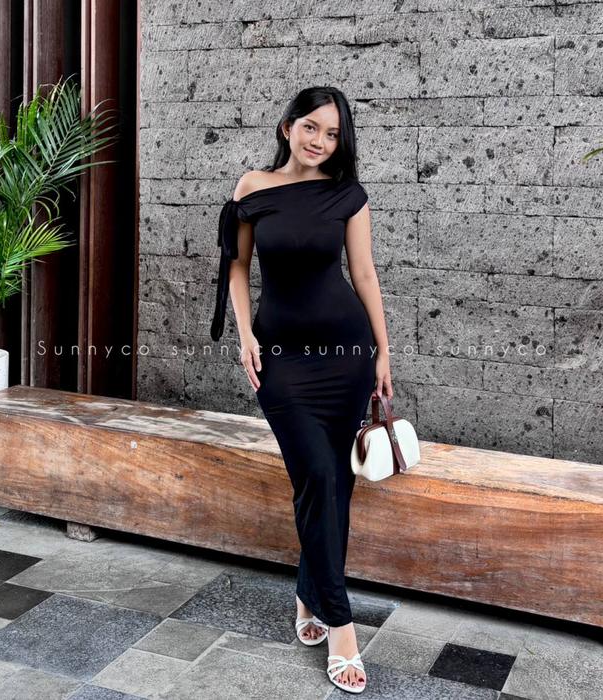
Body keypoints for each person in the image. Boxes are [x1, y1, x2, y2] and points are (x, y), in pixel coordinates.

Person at [210, 86, 393, 694]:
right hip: (282, 359)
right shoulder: (252, 188)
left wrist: (383, 350)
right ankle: (342, 625)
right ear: (288, 127)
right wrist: (245, 334)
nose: (320, 141)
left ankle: (311, 595)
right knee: (315, 471)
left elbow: (363, 273)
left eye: (333, 133)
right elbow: (238, 265)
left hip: (347, 356)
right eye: (311, 127)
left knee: (332, 481)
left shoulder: (348, 195)